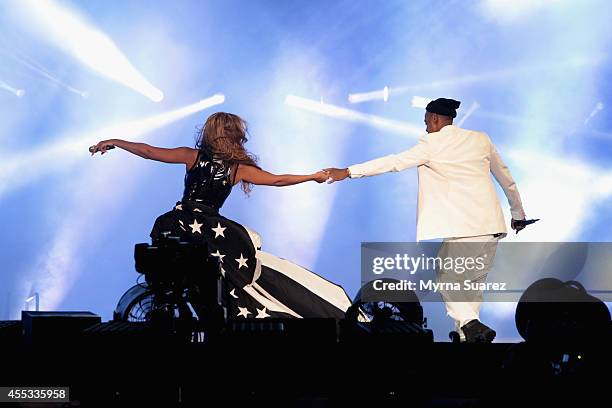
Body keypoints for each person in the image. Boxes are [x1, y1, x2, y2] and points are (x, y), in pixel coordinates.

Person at [92, 112, 352, 320]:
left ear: (209, 134)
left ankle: (187, 302)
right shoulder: (235, 169)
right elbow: (277, 180)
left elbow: (149, 151)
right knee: (206, 273)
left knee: (204, 273)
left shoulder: (194, 157)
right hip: (206, 230)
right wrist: (311, 177)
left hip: (184, 224)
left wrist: (116, 142)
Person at [325, 98, 529, 342]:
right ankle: (469, 334)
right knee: (470, 282)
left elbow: (393, 162)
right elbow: (505, 177)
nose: (426, 128)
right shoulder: (480, 139)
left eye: (426, 122)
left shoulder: (432, 143)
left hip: (465, 227)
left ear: (434, 119)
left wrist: (348, 172)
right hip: (491, 226)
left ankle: (470, 324)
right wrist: (518, 215)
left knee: (448, 275)